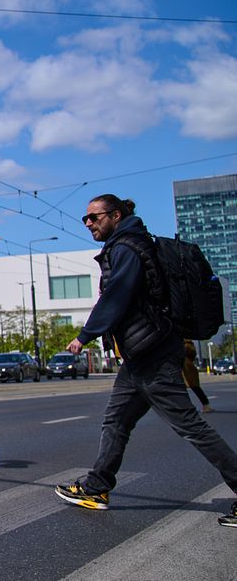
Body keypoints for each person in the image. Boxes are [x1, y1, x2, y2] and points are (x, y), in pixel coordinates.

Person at [54, 194, 237, 529]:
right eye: (86, 219)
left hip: (152, 352)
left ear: (117, 215)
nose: (90, 223)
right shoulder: (134, 242)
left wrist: (85, 335)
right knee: (117, 421)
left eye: (95, 217)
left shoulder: (126, 247)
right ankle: (97, 487)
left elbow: (117, 296)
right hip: (142, 354)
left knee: (190, 427)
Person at [183, 340, 214, 414]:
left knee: (192, 387)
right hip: (185, 368)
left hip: (185, 369)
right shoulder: (187, 344)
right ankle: (205, 405)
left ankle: (204, 405)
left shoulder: (185, 344)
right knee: (194, 388)